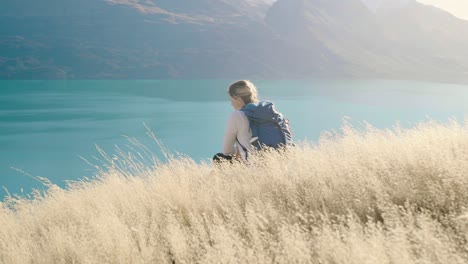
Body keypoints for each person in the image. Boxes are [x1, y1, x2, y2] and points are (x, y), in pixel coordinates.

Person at [213, 80, 257, 163]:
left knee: (219, 158)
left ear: (238, 98)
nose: (231, 104)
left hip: (252, 166)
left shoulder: (237, 115)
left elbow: (227, 151)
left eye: (231, 99)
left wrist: (238, 151)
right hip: (276, 163)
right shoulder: (269, 113)